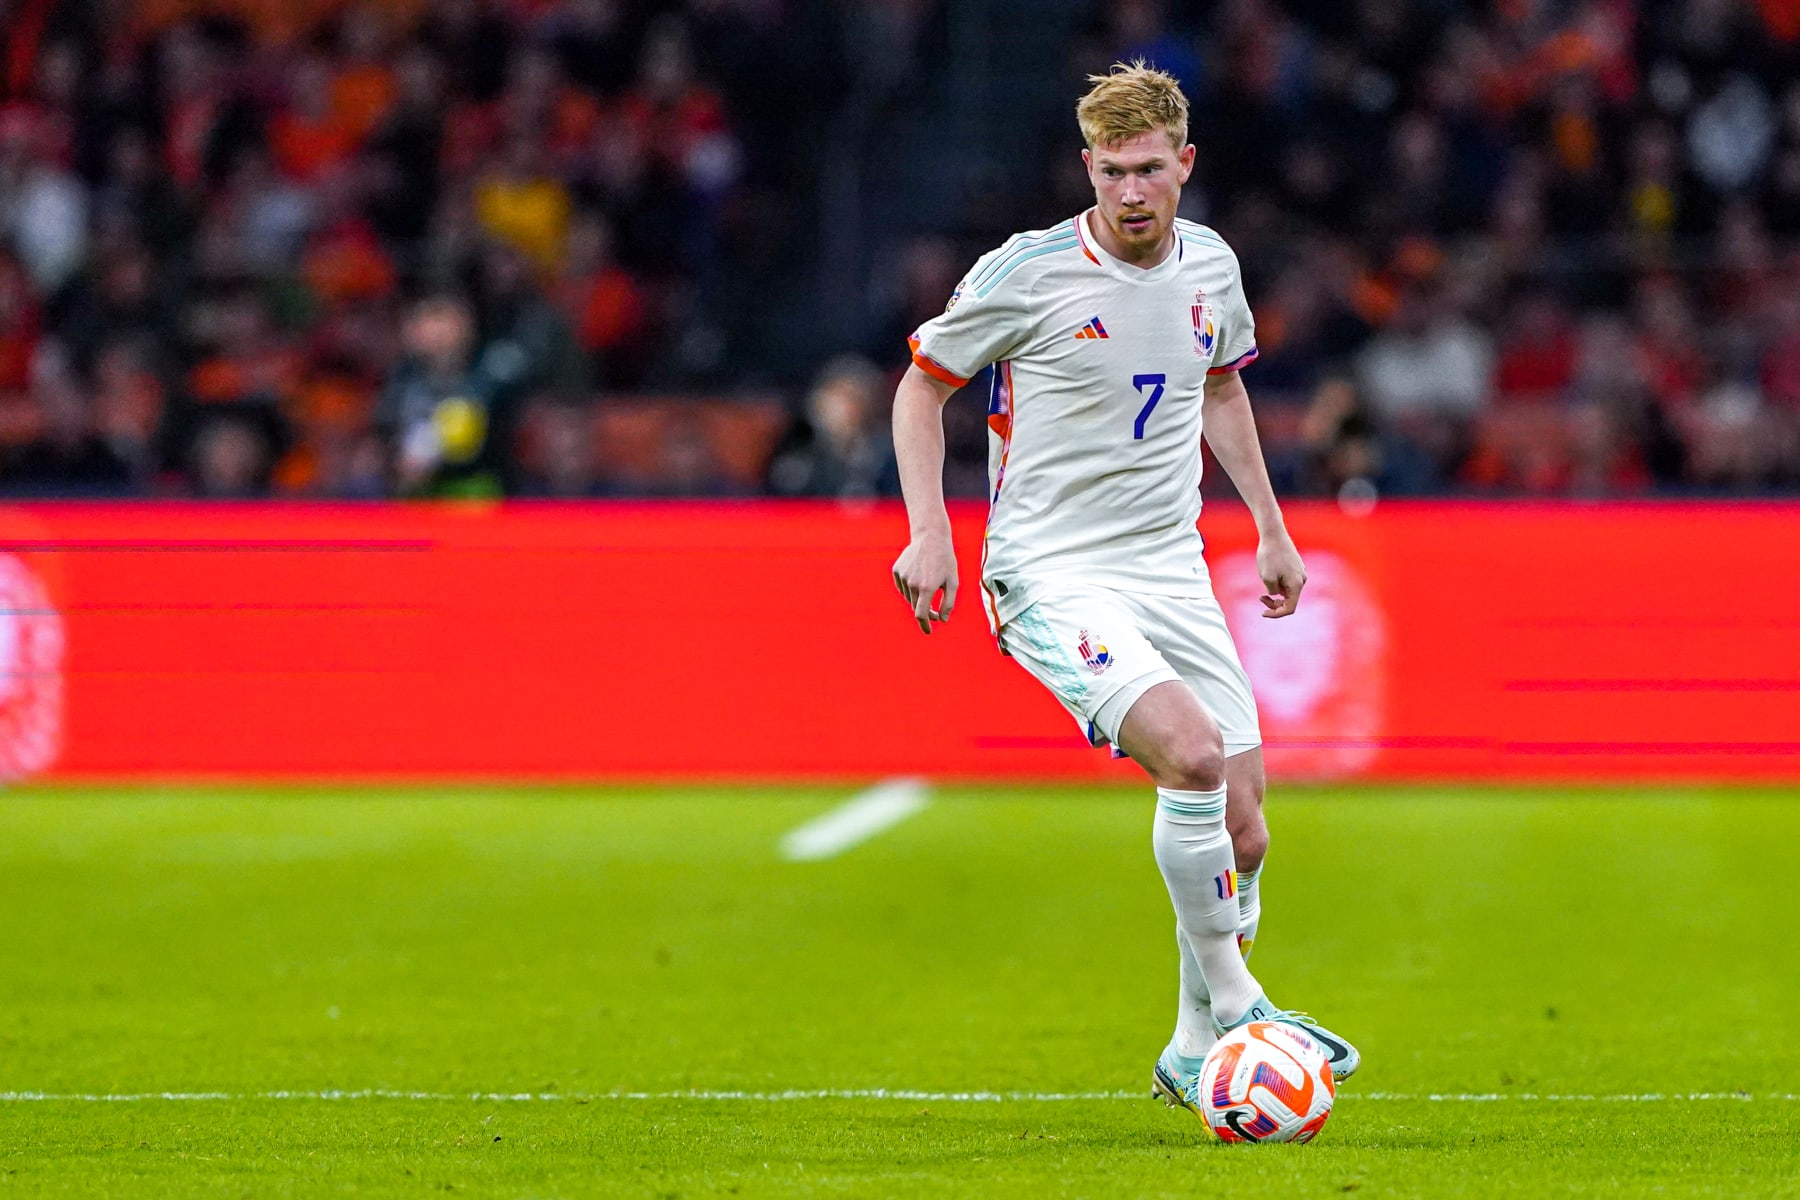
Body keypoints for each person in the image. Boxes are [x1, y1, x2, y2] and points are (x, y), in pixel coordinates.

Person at [888, 63, 1360, 1118]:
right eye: (1112, 173)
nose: (1132, 193)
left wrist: (1274, 530)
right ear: (1087, 169)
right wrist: (932, 534)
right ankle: (1242, 1007)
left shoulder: (1212, 267)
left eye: (1151, 170)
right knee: (1190, 757)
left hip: (1170, 567)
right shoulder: (1028, 272)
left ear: (1184, 165)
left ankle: (1194, 1048)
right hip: (1051, 571)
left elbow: (1222, 384)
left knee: (1244, 831)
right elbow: (922, 387)